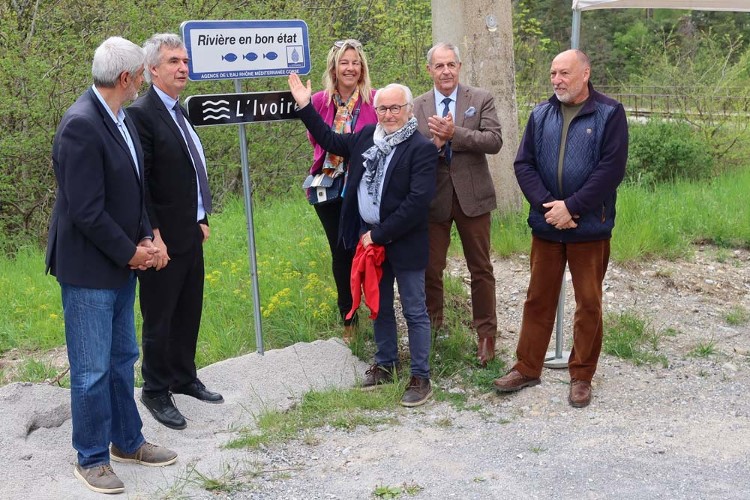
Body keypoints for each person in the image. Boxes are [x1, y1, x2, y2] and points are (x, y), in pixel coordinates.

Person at [45, 36, 177, 494]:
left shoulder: (120, 118)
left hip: (121, 263)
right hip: (89, 270)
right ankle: (92, 457)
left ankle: (128, 440)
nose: (143, 80)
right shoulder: (80, 125)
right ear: (126, 78)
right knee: (91, 369)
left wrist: (147, 234)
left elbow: (133, 189)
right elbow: (86, 211)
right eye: (141, 73)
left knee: (123, 359)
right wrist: (131, 252)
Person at [288, 73, 438, 407]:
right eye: (382, 108)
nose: (388, 114)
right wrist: (304, 106)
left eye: (395, 108)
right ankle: (386, 363)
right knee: (379, 306)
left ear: (409, 110)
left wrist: (379, 235)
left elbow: (418, 203)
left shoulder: (422, 149)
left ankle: (420, 376)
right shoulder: (368, 136)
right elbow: (330, 140)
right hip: (369, 239)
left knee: (414, 309)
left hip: (402, 240)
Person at [493, 49, 628, 408]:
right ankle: (527, 367)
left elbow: (611, 169)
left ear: (585, 73)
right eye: (553, 73)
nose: (556, 80)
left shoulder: (609, 113)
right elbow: (524, 164)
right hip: (547, 225)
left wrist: (573, 207)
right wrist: (549, 208)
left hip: (589, 227)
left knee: (588, 304)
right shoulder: (540, 114)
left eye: (564, 73)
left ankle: (581, 375)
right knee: (538, 299)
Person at [127, 33, 223, 431]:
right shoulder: (142, 113)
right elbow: (141, 183)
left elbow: (187, 170)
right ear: (152, 70)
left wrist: (201, 217)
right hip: (162, 239)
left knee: (188, 310)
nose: (182, 67)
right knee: (160, 316)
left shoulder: (179, 110)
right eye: (172, 62)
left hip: (190, 232)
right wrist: (153, 233)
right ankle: (155, 389)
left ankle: (184, 377)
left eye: (184, 61)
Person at [413, 42, 503, 366]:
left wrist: (456, 134)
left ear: (460, 66)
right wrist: (435, 144)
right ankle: (435, 329)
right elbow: (410, 153)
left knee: (481, 268)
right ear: (430, 70)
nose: (446, 71)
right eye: (440, 66)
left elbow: (494, 141)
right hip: (432, 200)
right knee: (430, 268)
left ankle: (486, 336)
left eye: (451, 64)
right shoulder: (417, 106)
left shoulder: (480, 98)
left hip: (473, 198)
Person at [305, 39, 378, 343]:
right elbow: (317, 140)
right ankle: (348, 318)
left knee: (369, 248)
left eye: (355, 63)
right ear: (334, 67)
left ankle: (379, 314)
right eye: (344, 63)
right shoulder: (319, 101)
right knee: (341, 251)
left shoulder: (375, 99)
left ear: (362, 68)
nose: (350, 68)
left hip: (366, 184)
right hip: (329, 186)